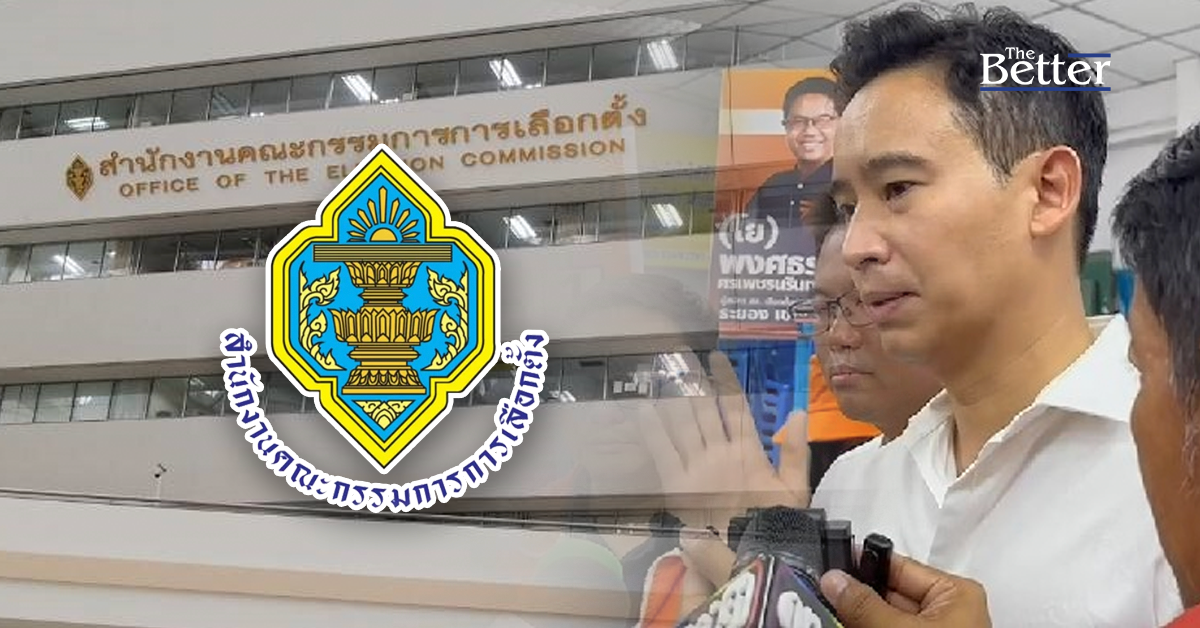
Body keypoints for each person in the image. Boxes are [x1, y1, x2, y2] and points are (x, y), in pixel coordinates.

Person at [815, 4, 1180, 627]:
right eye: (849, 208)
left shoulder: (1172, 478)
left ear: (1048, 191)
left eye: (897, 188)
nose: (856, 247)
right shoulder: (852, 487)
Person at [744, 76, 840, 228]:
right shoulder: (775, 186)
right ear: (786, 127)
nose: (809, 131)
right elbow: (748, 231)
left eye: (823, 120)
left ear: (843, 123)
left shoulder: (849, 184)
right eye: (798, 121)